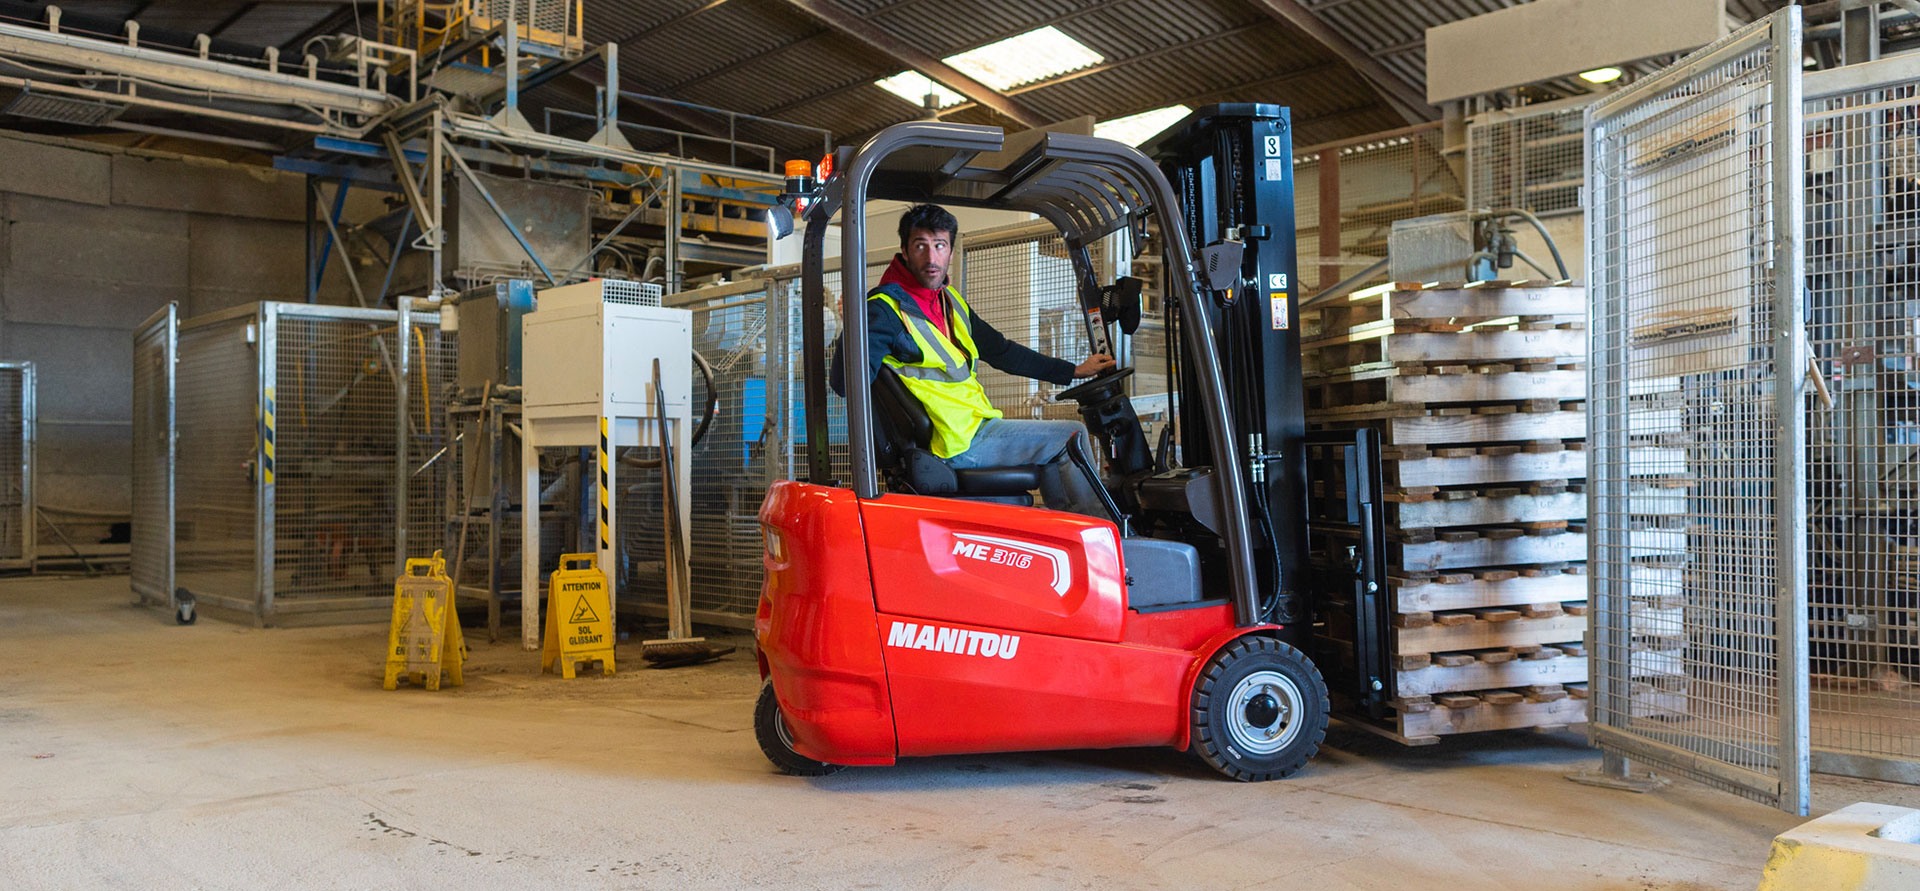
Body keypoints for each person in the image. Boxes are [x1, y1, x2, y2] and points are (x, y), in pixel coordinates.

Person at [830, 203, 1117, 516]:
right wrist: (853, 327)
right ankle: (1100, 540)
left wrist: (1073, 371)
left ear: (950, 251)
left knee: (1059, 442)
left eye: (939, 246)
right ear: (904, 251)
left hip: (973, 429)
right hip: (952, 444)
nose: (931, 257)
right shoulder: (884, 309)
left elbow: (1002, 351)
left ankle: (1065, 536)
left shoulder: (950, 302)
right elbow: (845, 383)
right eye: (920, 246)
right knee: (1069, 437)